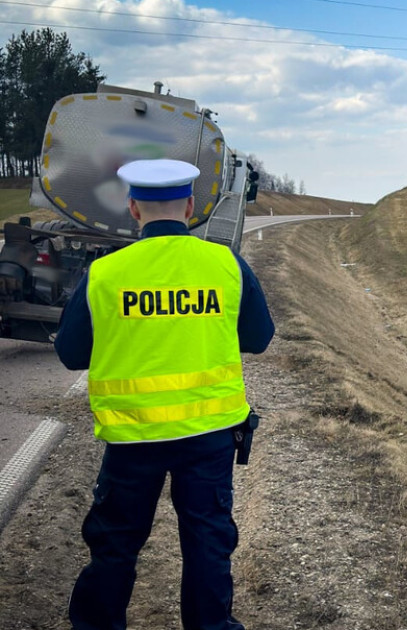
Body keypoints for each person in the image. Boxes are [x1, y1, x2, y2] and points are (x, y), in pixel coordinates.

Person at [54, 158, 274, 630]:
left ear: (133, 209)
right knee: (208, 542)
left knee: (115, 544)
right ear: (191, 207)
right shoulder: (224, 264)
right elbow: (259, 338)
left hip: (133, 437)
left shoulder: (106, 274)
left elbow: (71, 354)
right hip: (210, 434)